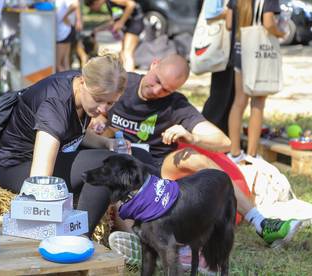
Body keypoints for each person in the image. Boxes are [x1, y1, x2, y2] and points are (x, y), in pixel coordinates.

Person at [91, 54, 300, 253]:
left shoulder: (175, 104)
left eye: (165, 89)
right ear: (154, 64)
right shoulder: (124, 83)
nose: (156, 90)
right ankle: (142, 243)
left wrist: (192, 137)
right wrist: (99, 120)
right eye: (156, 81)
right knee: (118, 180)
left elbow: (224, 142)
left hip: (157, 166)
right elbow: (91, 105)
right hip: (119, 161)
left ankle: (260, 222)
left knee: (193, 156)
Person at [0, 53, 156, 236]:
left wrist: (106, 142)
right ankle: (78, 238)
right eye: (99, 99)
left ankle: (147, 232)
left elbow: (73, 131)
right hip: (18, 167)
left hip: (58, 153)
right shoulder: (55, 104)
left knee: (139, 156)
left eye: (110, 102)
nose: (103, 109)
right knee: (109, 166)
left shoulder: (80, 89)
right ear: (82, 83)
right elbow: (39, 180)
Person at [226, 0, 285, 162]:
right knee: (258, 102)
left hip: (240, 50)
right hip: (258, 53)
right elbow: (268, 23)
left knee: (238, 102)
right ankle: (252, 153)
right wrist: (280, 33)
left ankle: (234, 152)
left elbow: (229, 24)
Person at [202, 0, 236, 135]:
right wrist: (233, 11)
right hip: (222, 50)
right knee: (220, 96)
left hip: (232, 50)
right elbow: (210, 13)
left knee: (230, 96)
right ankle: (206, 134)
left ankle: (223, 135)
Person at [85, 0, 143, 71]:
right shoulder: (109, 3)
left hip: (134, 23)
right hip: (127, 26)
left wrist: (121, 22)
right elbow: (115, 20)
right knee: (122, 54)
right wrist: (98, 29)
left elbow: (131, 4)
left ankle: (131, 78)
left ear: (95, 2)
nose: (94, 10)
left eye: (92, 8)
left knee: (127, 53)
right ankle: (123, 76)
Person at [56, 0, 82, 72]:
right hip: (64, 30)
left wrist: (64, 16)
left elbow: (75, 4)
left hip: (63, 31)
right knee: (65, 60)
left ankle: (65, 82)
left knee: (59, 64)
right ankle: (68, 81)